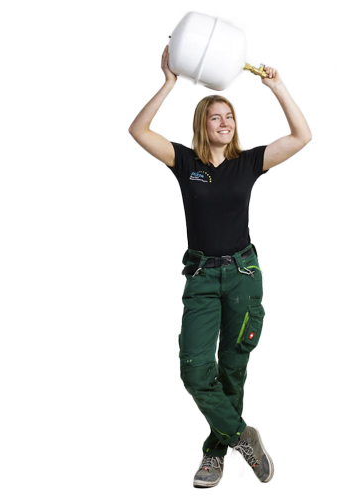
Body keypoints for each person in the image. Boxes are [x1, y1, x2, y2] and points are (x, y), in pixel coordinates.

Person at [128, 45, 311, 488]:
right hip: (203, 278)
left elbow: (302, 136)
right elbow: (138, 130)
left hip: (244, 276)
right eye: (215, 117)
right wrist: (169, 83)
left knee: (232, 369)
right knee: (195, 370)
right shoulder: (184, 162)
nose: (224, 123)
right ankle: (242, 436)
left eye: (229, 117)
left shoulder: (247, 163)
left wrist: (277, 87)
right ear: (202, 125)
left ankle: (214, 453)